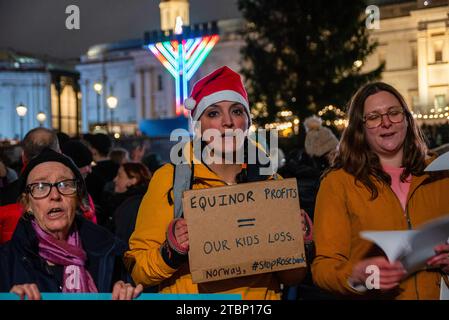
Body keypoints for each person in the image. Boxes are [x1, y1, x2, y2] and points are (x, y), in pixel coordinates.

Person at [124, 66, 309, 300]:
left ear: (247, 122)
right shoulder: (170, 180)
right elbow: (138, 270)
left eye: (237, 111)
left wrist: (299, 241)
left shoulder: (272, 182)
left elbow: (292, 278)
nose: (228, 122)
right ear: (198, 125)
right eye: (213, 113)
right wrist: (171, 251)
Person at [311, 82, 449, 299]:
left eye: (393, 113)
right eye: (374, 117)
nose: (386, 122)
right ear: (360, 127)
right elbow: (323, 267)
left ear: (406, 119)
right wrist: (356, 276)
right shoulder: (338, 183)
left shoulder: (440, 174)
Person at [0, 149, 143, 300]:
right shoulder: (5, 262)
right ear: (28, 204)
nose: (55, 196)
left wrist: (127, 294)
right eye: (41, 187)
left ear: (78, 198)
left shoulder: (109, 253)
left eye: (64, 185)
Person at [108, 162, 152, 243]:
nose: (115, 179)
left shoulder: (132, 204)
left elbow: (122, 237)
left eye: (119, 176)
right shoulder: (123, 201)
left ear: (133, 180)